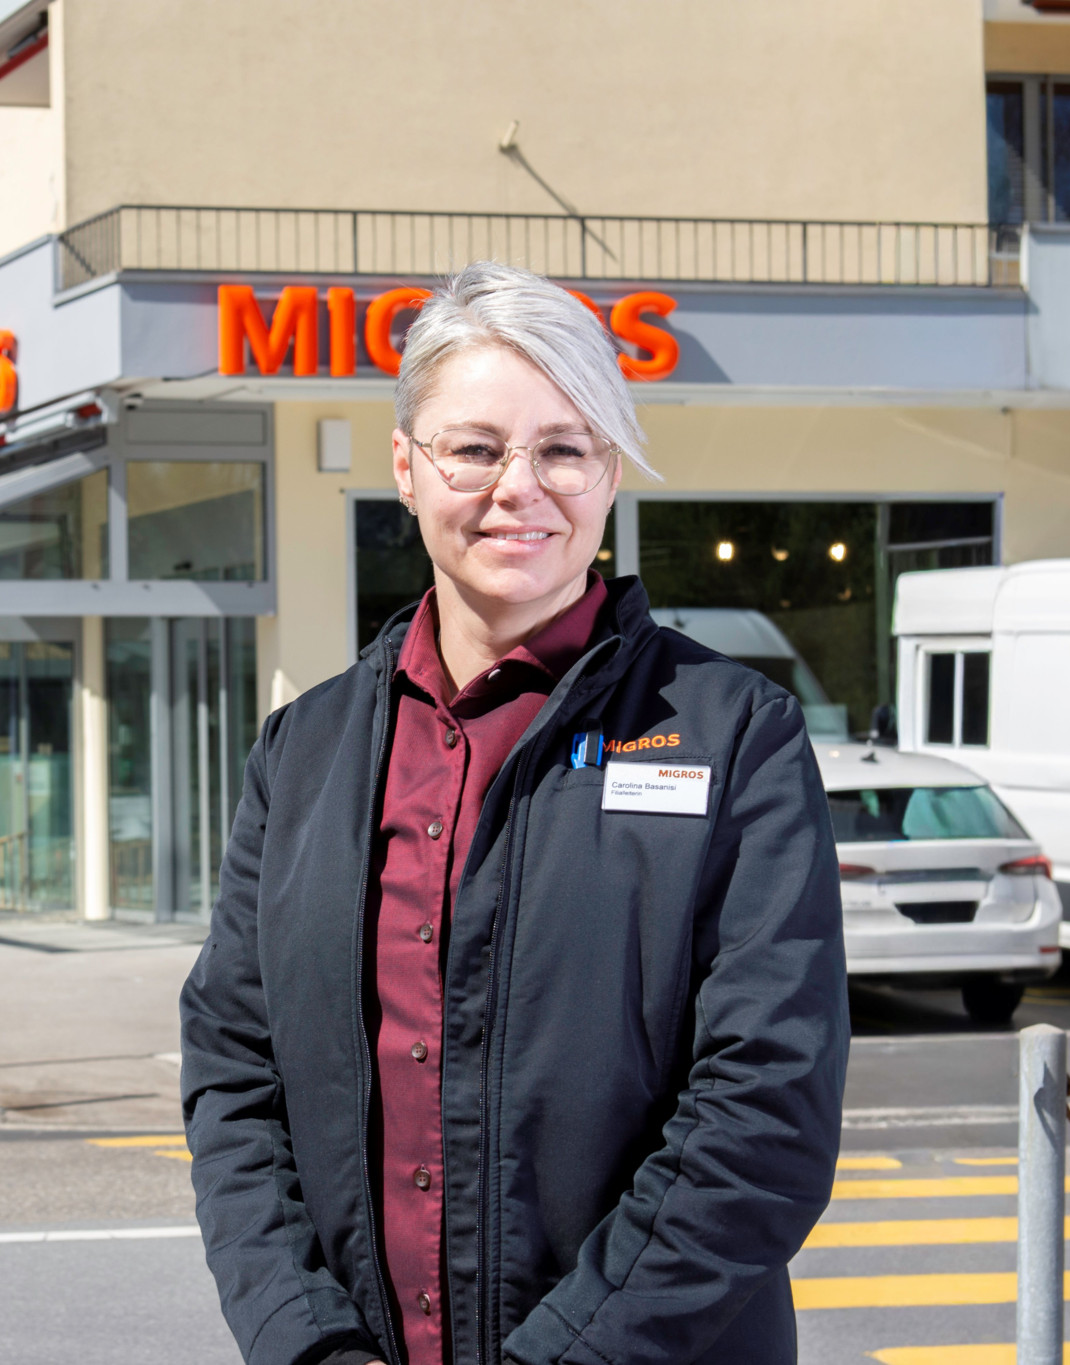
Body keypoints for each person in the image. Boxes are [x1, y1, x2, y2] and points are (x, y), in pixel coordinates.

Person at [180, 261, 847, 1365]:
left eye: (563, 448)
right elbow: (234, 1076)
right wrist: (307, 1343)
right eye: (475, 447)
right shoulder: (301, 755)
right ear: (404, 466)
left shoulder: (732, 736)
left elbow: (762, 1115)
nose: (517, 487)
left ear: (609, 476)